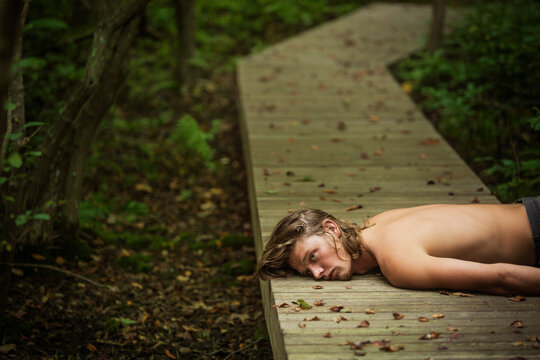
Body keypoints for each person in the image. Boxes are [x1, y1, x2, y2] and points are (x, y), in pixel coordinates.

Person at [254, 197, 540, 295]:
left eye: (313, 256)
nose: (316, 273)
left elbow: (502, 278)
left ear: (331, 228)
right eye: (307, 272)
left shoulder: (398, 263)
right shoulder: (378, 224)